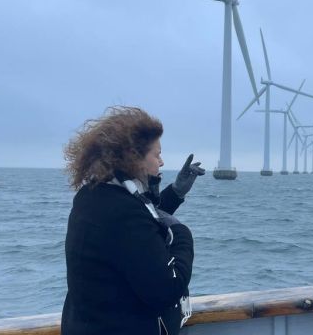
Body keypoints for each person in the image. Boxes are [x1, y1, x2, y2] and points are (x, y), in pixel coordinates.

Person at [61, 106, 205, 335]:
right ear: (134, 158)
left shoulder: (92, 196)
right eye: (156, 154)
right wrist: (182, 234)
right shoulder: (122, 213)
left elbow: (138, 234)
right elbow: (167, 289)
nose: (162, 162)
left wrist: (175, 193)